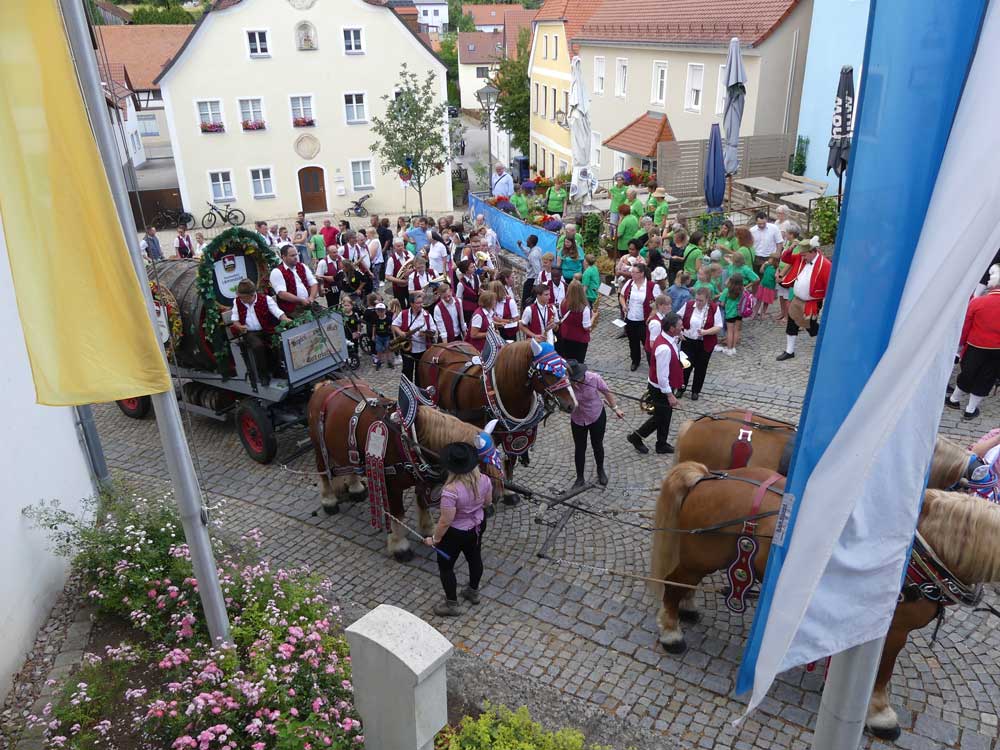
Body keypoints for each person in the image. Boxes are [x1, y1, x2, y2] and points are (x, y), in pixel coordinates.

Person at [424, 441, 492, 616]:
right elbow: (488, 503)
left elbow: (446, 520)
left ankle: (452, 604)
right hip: (477, 527)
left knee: (446, 567)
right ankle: (473, 591)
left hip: (454, 534)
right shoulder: (484, 480)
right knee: (475, 558)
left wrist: (435, 539)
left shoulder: (450, 491)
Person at [946, 266, 1000, 420]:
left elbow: (965, 327)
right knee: (986, 377)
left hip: (975, 346)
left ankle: (954, 400)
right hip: (998, 350)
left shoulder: (978, 302)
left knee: (968, 373)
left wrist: (960, 344)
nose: (987, 279)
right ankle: (970, 409)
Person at [627, 312, 683, 455]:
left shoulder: (668, 338)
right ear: (671, 328)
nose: (682, 326)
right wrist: (670, 395)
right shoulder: (664, 349)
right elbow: (662, 376)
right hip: (660, 389)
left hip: (660, 387)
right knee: (660, 417)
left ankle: (661, 444)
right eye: (680, 325)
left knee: (664, 416)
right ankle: (636, 437)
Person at [567, 360, 622, 489]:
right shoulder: (566, 383)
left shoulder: (594, 378)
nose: (574, 382)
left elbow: (606, 392)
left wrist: (616, 408)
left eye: (576, 379)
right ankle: (580, 478)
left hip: (596, 415)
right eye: (572, 379)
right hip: (577, 418)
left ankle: (600, 471)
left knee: (597, 445)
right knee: (579, 448)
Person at [776, 236, 831, 361]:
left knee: (810, 326)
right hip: (797, 299)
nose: (802, 257)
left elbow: (829, 285)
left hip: (812, 302)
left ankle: (827, 341)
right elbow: (785, 258)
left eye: (804, 255)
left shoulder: (825, 265)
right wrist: (790, 248)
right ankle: (789, 351)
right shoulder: (801, 259)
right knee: (792, 323)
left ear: (812, 252)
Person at [228, 278, 290, 384]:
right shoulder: (237, 302)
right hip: (250, 332)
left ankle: (277, 370)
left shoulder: (265, 299)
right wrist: (239, 326)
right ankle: (263, 375)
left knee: (276, 342)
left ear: (252, 295)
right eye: (240, 297)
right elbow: (235, 320)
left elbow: (278, 313)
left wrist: (287, 320)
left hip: (267, 329)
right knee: (258, 346)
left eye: (244, 297)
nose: (241, 299)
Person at [677, 286, 723, 400]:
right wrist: (679, 332)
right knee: (685, 365)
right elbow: (677, 318)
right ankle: (681, 388)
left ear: (707, 299)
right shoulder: (689, 305)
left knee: (701, 368)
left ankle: (695, 391)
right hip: (687, 341)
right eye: (696, 299)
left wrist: (706, 332)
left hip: (704, 343)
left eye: (701, 300)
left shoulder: (713, 308)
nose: (698, 302)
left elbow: (718, 326)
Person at [392, 291, 435, 382]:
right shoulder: (404, 314)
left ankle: (418, 392)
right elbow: (394, 325)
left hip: (422, 350)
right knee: (407, 372)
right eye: (418, 303)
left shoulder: (427, 315)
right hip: (408, 349)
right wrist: (401, 333)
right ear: (411, 304)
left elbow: (433, 330)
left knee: (420, 374)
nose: (420, 305)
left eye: (421, 302)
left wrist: (426, 333)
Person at [619, 263, 655, 371]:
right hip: (630, 319)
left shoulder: (651, 285)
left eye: (635, 272)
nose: (632, 274)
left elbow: (658, 303)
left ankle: (652, 362)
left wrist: (651, 315)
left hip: (644, 320)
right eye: (632, 272)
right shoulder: (629, 283)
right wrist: (624, 305)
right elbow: (621, 296)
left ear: (642, 274)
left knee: (647, 343)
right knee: (632, 342)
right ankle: (635, 360)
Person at [270, 245, 318, 316]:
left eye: (296, 254)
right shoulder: (277, 272)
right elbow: (282, 294)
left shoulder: (302, 266)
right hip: (292, 309)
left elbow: (314, 283)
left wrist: (311, 297)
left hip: (308, 303)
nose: (296, 257)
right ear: (283, 257)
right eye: (292, 255)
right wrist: (301, 300)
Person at [558, 280, 594, 363]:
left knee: (567, 361)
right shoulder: (584, 308)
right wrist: (594, 317)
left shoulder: (563, 303)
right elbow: (586, 327)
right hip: (580, 340)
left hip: (566, 337)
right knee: (578, 363)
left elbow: (561, 315)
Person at [717, 275, 745, 356]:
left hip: (730, 313)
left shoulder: (727, 290)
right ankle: (733, 348)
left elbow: (722, 303)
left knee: (730, 331)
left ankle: (729, 349)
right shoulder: (742, 290)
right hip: (739, 313)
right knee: (736, 330)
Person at [384, 237, 412, 308]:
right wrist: (401, 281)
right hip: (398, 287)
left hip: (410, 284)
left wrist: (410, 271)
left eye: (402, 245)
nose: (400, 248)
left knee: (411, 303)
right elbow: (387, 276)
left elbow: (415, 264)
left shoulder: (408, 253)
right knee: (401, 305)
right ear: (394, 247)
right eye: (398, 246)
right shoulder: (391, 259)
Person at [645, 294, 672, 363]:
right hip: (655, 353)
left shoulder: (663, 316)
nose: (670, 306)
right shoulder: (656, 323)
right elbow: (653, 344)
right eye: (667, 305)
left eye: (670, 304)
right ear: (660, 305)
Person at [517, 234, 542, 307]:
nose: (526, 241)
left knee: (526, 301)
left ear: (531, 242)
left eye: (527, 240)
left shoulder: (533, 255)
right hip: (532, 279)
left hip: (531, 281)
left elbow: (537, 270)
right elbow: (528, 253)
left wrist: (536, 284)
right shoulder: (536, 249)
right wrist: (521, 246)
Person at [493, 274, 520, 342]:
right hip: (495, 332)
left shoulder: (510, 302)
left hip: (508, 333)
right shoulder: (492, 301)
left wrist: (501, 320)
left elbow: (516, 319)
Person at [753, 254, 780, 320]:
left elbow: (776, 279)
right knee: (758, 300)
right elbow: (761, 271)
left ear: (774, 261)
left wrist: (777, 274)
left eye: (770, 259)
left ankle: (763, 314)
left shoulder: (776, 268)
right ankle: (754, 313)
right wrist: (763, 265)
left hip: (770, 287)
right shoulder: (767, 266)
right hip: (762, 285)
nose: (768, 260)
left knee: (766, 302)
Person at [454, 259, 481, 325]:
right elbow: (459, 299)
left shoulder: (476, 277)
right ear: (466, 271)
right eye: (471, 267)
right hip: (467, 310)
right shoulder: (461, 284)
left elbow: (479, 289)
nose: (474, 268)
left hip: (478, 307)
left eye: (473, 266)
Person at [371, 302, 394, 370]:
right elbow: (374, 327)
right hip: (379, 337)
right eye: (378, 311)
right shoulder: (375, 319)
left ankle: (389, 361)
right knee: (379, 350)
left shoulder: (388, 319)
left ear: (385, 311)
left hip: (386, 336)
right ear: (376, 311)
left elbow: (391, 327)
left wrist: (393, 335)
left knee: (388, 349)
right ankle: (379, 361)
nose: (380, 312)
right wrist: (373, 335)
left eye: (382, 311)